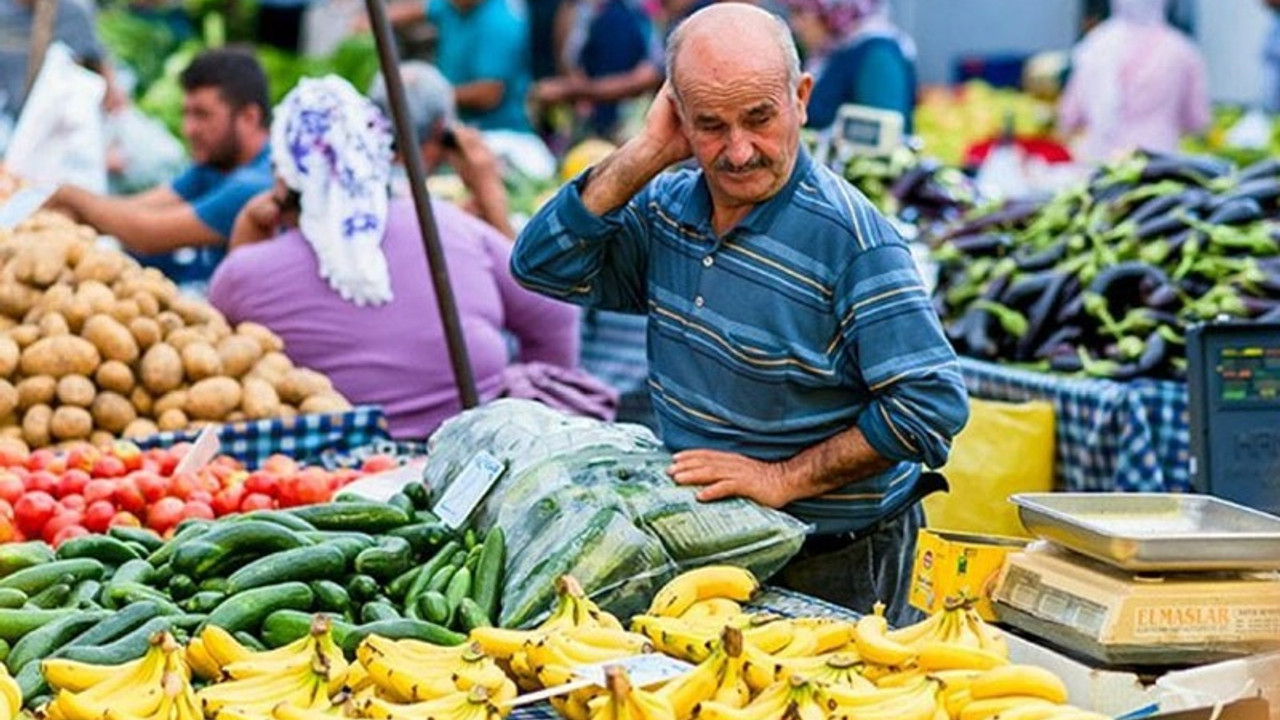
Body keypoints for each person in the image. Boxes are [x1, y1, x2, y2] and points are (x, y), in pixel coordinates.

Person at [510, 2, 968, 624]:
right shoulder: (667, 209)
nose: (739, 150)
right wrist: (647, 152)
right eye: (710, 125)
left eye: (759, 118)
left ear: (801, 98)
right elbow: (540, 264)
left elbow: (930, 406)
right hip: (709, 552)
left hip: (837, 564)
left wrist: (783, 478)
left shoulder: (853, 241)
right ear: (677, 115)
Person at [208, 76, 584, 440]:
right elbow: (556, 309)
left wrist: (249, 225)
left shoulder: (243, 273)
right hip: (473, 454)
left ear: (284, 173)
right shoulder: (445, 224)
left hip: (330, 475)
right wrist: (539, 421)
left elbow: (224, 359)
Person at [45, 48, 273, 285]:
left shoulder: (257, 184)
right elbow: (135, 209)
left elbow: (148, 234)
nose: (188, 129)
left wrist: (67, 194)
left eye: (202, 115)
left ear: (249, 117)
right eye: (186, 114)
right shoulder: (214, 165)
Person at [368, 62, 516, 238]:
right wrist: (489, 191)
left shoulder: (362, 190)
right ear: (441, 128)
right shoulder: (427, 214)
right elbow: (514, 263)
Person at [1058, 0, 1209, 164]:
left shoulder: (1095, 46)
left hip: (1100, 165)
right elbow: (1197, 121)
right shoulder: (1182, 51)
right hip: (1156, 165)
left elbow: (1069, 117)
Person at [376, 0, 533, 133]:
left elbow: (488, 94)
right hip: (454, 124)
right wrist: (371, 22)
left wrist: (426, 96)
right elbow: (415, 11)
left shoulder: (499, 23)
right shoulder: (453, 7)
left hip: (496, 133)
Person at [531, 0, 663, 140]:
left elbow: (648, 77)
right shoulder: (580, 9)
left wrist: (572, 90)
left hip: (632, 127)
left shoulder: (642, 12)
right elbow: (568, 59)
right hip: (584, 124)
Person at [780, 0, 916, 133]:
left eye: (800, 13)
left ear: (833, 10)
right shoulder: (829, 53)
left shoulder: (878, 57)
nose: (794, 25)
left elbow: (882, 138)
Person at [0, 0, 125, 118]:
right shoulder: (5, 12)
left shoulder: (72, 12)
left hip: (56, 118)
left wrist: (111, 91)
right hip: (9, 113)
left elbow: (96, 59)